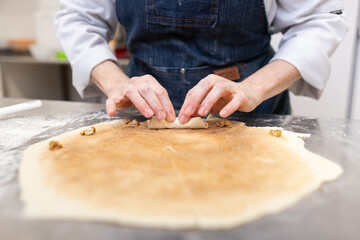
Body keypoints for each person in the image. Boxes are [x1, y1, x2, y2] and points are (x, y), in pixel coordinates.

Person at [55, 0, 347, 124]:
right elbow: (79, 19)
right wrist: (117, 83)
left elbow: (316, 21)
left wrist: (254, 88)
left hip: (252, 118)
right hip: (140, 115)